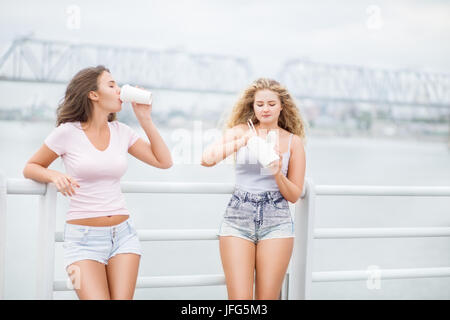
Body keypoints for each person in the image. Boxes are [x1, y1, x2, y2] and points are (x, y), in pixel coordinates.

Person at [23, 65, 173, 299]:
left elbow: (164, 161)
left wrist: (144, 118)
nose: (119, 90)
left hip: (124, 236)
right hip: (81, 241)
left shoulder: (122, 131)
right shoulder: (66, 132)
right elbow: (30, 167)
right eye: (111, 85)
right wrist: (55, 176)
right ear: (93, 94)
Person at [201, 78, 306, 300]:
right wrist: (244, 141)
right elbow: (207, 159)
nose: (265, 109)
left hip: (276, 220)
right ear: (253, 106)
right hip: (238, 218)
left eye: (270, 103)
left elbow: (294, 195)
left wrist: (277, 171)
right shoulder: (241, 131)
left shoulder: (293, 142)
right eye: (260, 104)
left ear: (281, 106)